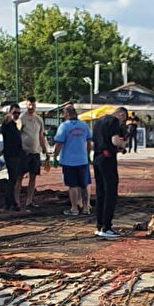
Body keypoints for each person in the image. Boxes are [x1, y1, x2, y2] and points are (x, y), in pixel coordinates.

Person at [91, 104, 128, 238]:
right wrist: (122, 144)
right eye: (123, 120)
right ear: (121, 115)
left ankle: (99, 225)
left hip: (97, 157)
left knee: (100, 192)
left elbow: (93, 142)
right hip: (107, 158)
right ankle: (107, 226)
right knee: (110, 192)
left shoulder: (98, 121)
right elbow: (115, 141)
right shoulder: (113, 121)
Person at [53, 102, 93, 217]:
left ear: (66, 114)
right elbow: (89, 142)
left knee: (73, 185)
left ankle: (74, 208)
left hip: (69, 161)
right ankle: (86, 207)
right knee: (84, 184)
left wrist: (55, 156)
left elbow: (59, 143)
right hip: (82, 160)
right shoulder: (84, 126)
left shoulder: (64, 126)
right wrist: (88, 154)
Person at [18, 96, 50, 209]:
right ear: (26, 105)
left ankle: (29, 200)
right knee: (20, 176)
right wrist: (21, 149)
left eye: (33, 105)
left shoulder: (39, 119)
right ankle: (16, 200)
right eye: (29, 105)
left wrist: (45, 151)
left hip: (35, 152)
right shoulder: (21, 118)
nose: (31, 107)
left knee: (33, 177)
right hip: (24, 153)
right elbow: (18, 135)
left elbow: (41, 136)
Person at [0, 102, 24, 211]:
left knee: (14, 178)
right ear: (10, 112)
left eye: (19, 113)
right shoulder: (7, 124)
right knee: (12, 179)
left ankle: (11, 202)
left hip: (17, 154)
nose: (17, 115)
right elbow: (4, 125)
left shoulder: (14, 125)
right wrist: (8, 118)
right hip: (11, 155)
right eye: (15, 113)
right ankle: (9, 202)